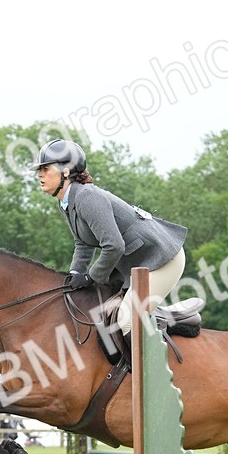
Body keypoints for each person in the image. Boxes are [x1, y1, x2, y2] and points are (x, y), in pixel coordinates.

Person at [33, 139, 188, 335]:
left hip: (161, 259)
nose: (39, 174)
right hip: (133, 263)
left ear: (66, 171)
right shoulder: (66, 201)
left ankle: (155, 359)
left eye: (45, 169)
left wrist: (90, 277)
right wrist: (74, 274)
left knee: (125, 323)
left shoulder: (86, 197)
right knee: (97, 312)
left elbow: (114, 246)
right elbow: (82, 243)